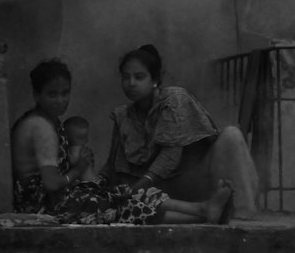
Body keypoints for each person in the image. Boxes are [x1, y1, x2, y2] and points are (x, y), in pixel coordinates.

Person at [11, 58, 233, 224]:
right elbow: (51, 184)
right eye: (52, 94)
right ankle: (201, 213)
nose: (60, 100)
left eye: (65, 93)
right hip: (43, 206)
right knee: (118, 203)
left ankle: (203, 210)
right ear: (36, 94)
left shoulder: (46, 120)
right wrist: (79, 170)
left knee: (123, 194)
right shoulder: (41, 128)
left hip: (55, 199)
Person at [104, 44, 258, 218]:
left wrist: (142, 183)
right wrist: (91, 183)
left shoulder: (174, 100)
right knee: (114, 200)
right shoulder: (122, 115)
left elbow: (171, 154)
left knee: (231, 135)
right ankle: (199, 213)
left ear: (154, 79)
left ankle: (242, 215)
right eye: (126, 77)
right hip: (158, 192)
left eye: (139, 77)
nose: (131, 83)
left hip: (192, 181)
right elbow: (112, 165)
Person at [63, 115, 98, 184]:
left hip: (89, 181)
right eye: (81, 138)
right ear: (67, 137)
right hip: (86, 183)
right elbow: (72, 162)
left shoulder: (78, 149)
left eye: (86, 136)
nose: (86, 140)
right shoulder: (76, 149)